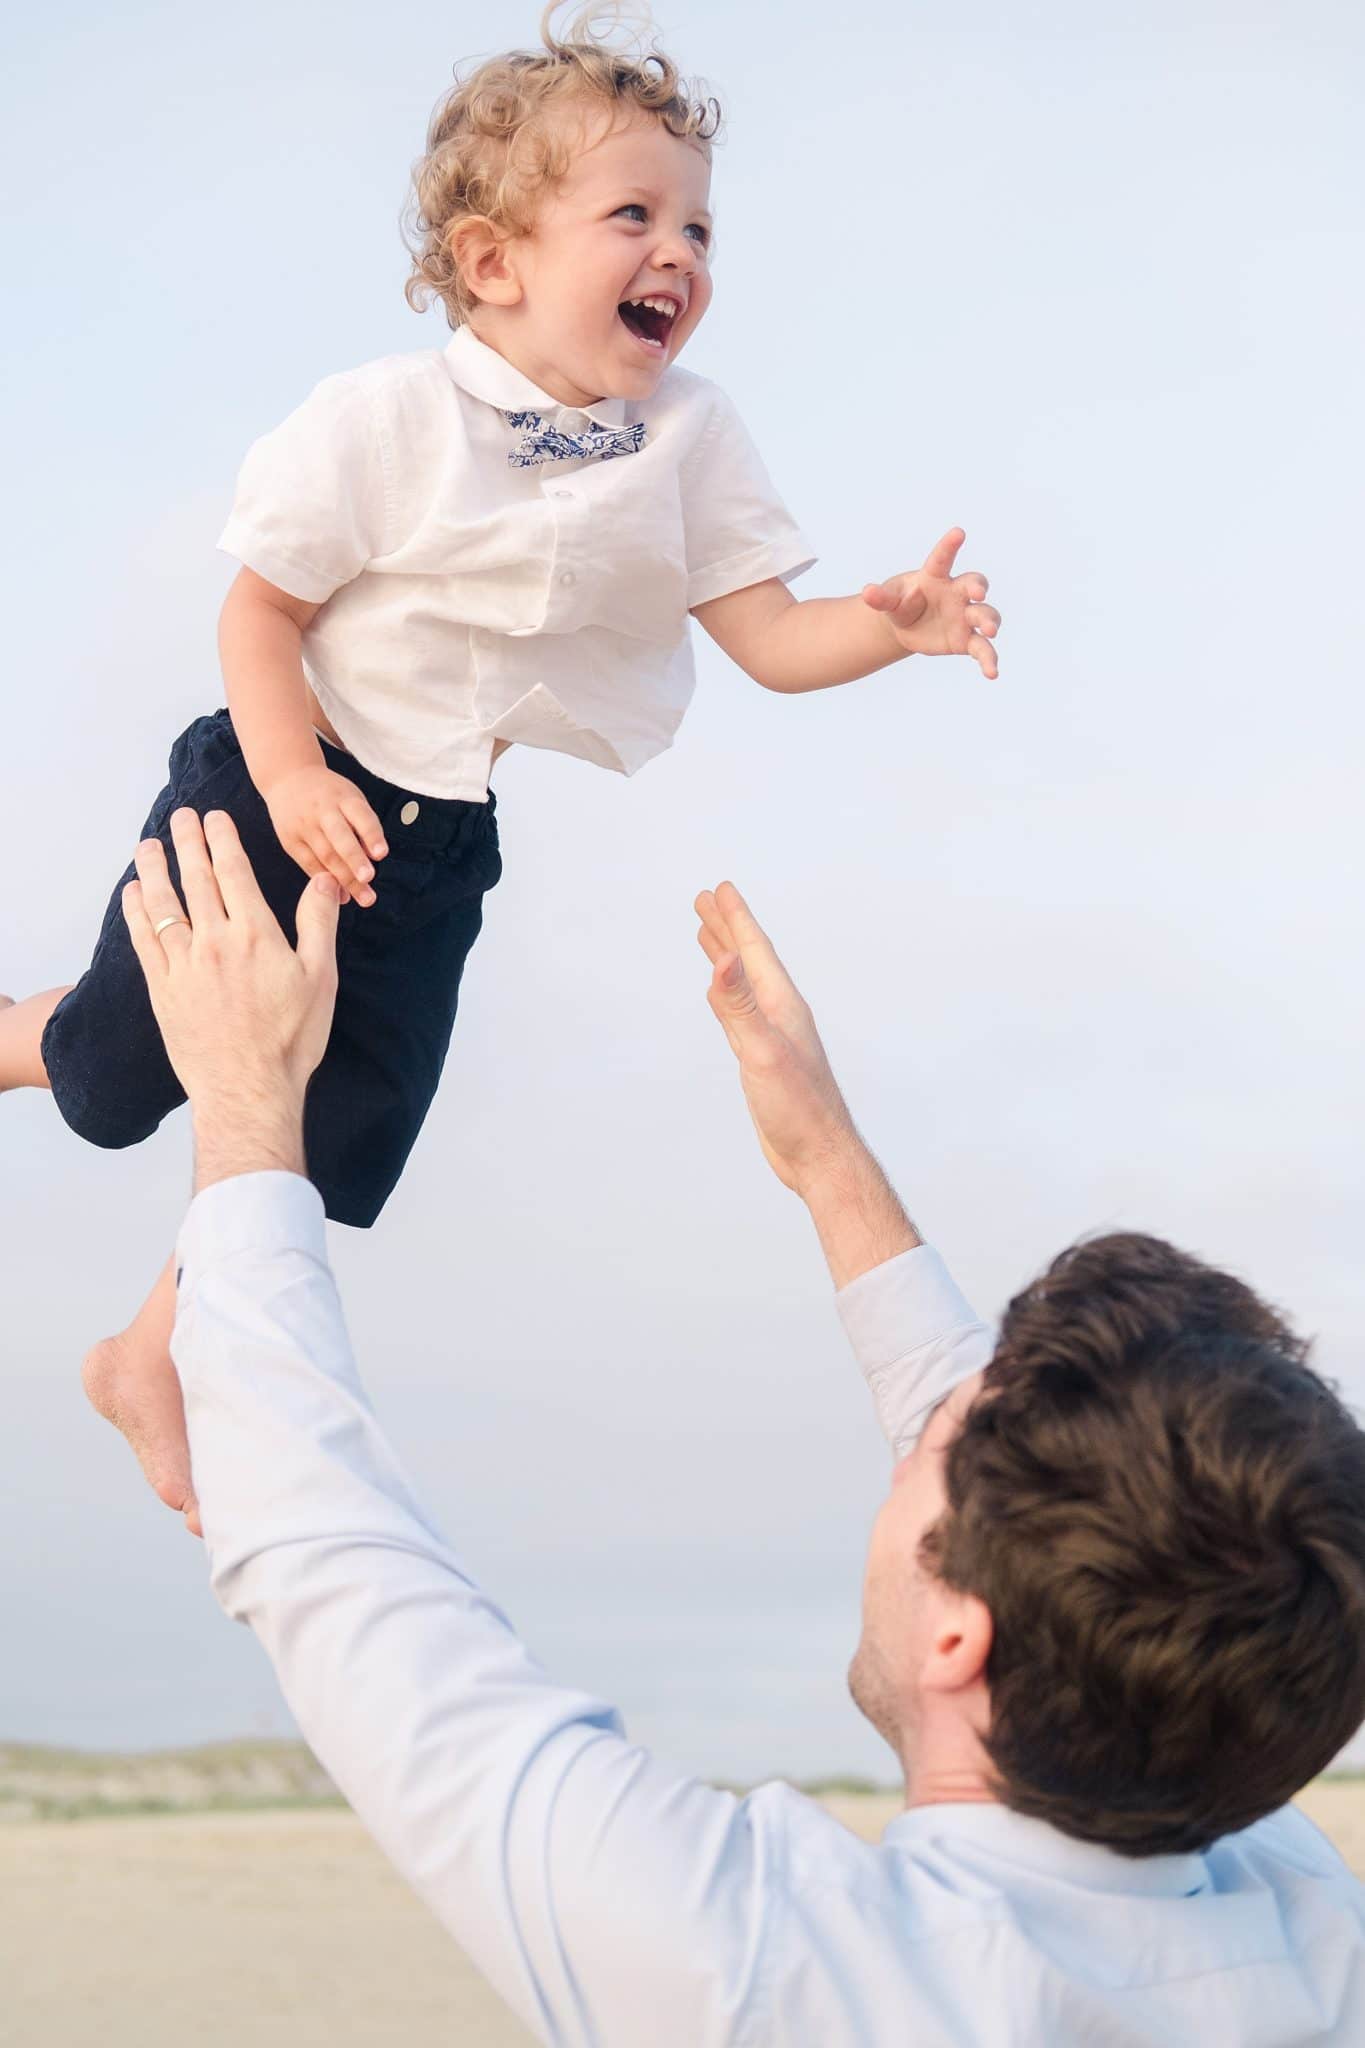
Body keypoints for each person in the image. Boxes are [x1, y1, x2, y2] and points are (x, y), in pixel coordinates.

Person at [123, 807, 1365, 2046]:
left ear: (960, 1636)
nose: (920, 1424)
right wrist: (824, 1154)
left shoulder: (772, 1974)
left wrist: (244, 1095)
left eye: (926, 1456)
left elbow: (337, 1570)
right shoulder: (1298, 1907)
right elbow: (1077, 1522)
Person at [0, 2, 1000, 1532]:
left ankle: (149, 1350)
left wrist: (896, 627)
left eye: (698, 226)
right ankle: (28, 1027)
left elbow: (774, 636)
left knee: (334, 1136)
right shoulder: (386, 420)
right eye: (634, 215)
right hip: (281, 774)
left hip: (432, 839)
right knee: (118, 1080)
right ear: (493, 262)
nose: (680, 252)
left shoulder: (690, 438)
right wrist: (284, 784)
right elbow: (257, 610)